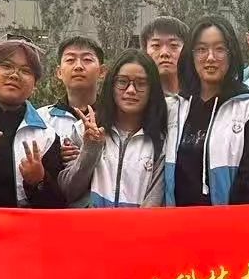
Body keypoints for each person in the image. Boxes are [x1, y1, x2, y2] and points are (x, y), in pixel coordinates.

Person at [0, 39, 68, 210]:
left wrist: (39, 181)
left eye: (25, 71)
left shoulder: (46, 136)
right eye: (6, 66)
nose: (14, 75)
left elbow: (56, 206)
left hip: (15, 224)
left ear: (35, 84)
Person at [168, 16, 249, 206]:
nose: (210, 57)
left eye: (220, 49)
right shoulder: (174, 108)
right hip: (176, 220)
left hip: (227, 221)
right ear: (191, 55)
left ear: (232, 54)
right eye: (201, 49)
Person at [60, 51, 168, 208]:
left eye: (141, 83)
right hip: (91, 224)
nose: (131, 90)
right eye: (122, 82)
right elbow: (69, 191)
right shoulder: (84, 129)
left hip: (139, 223)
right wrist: (90, 150)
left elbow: (155, 202)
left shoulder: (161, 140)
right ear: (111, 84)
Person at [48, 36, 106, 161]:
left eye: (87, 59)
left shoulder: (116, 117)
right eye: (70, 60)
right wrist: (53, 157)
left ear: (102, 71)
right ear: (59, 72)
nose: (78, 66)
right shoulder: (43, 119)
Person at [142, 16, 187, 103]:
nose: (164, 53)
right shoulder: (134, 97)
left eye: (173, 45)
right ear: (145, 51)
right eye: (156, 45)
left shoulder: (199, 98)